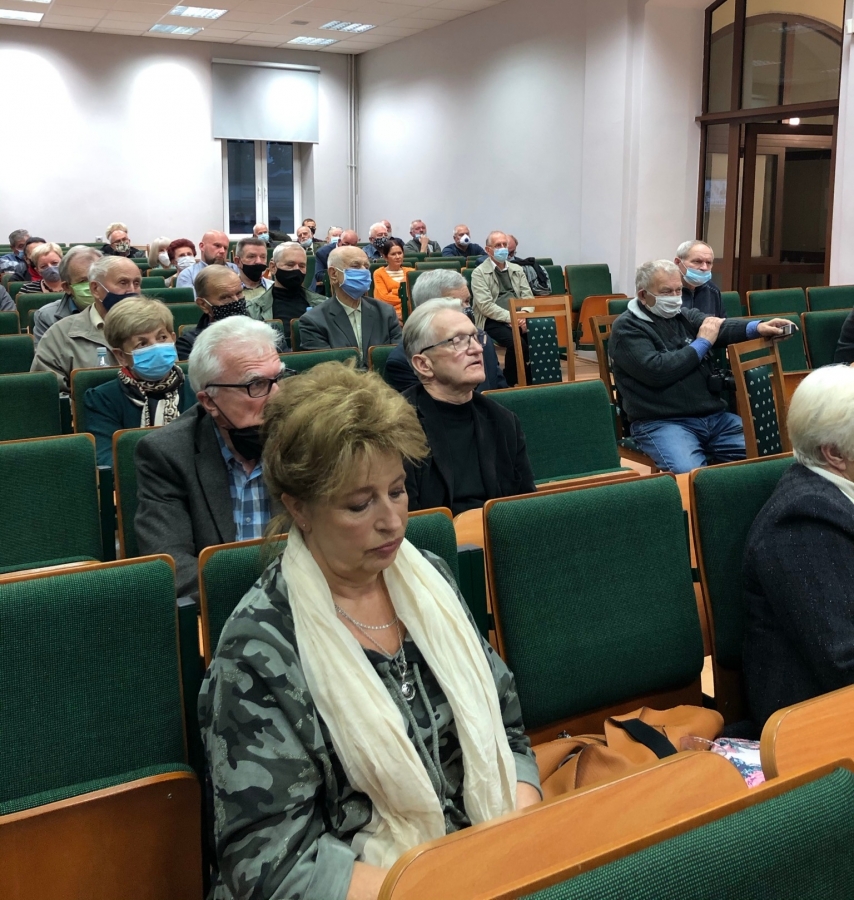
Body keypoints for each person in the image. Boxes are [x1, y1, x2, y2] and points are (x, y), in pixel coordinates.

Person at [198, 360, 540, 900]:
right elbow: (271, 866)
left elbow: (509, 728)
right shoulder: (259, 647)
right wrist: (440, 888)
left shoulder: (428, 579)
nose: (392, 521)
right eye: (360, 504)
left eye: (397, 491)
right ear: (299, 508)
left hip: (479, 856)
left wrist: (518, 838)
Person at [135, 317, 286, 598]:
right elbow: (171, 567)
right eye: (256, 384)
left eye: (278, 379)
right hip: (218, 609)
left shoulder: (306, 435)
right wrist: (263, 600)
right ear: (209, 401)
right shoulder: (167, 453)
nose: (276, 397)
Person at [743, 365, 854, 728]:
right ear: (834, 453)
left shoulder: (840, 492)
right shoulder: (802, 521)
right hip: (813, 724)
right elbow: (843, 662)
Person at [609, 259, 791, 474]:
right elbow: (658, 371)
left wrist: (759, 327)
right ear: (643, 295)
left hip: (715, 418)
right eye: (666, 292)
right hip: (662, 422)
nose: (675, 297)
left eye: (678, 290)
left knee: (772, 456)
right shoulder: (627, 328)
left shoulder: (682, 315)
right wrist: (702, 343)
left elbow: (718, 327)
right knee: (689, 473)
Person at [402, 300, 535, 514]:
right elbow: (408, 523)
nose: (477, 349)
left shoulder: (503, 420)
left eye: (475, 337)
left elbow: (526, 507)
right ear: (424, 364)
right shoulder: (395, 428)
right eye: (458, 341)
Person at [83, 298, 192, 465]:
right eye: (142, 344)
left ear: (173, 339)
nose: (156, 347)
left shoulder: (199, 388)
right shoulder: (102, 399)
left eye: (162, 337)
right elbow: (107, 461)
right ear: (121, 356)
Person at [385, 269, 507, 393]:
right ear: (427, 308)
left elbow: (500, 392)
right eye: (455, 304)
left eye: (467, 301)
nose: (466, 309)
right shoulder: (402, 362)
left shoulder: (482, 340)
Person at [31, 255, 142, 390]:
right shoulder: (60, 334)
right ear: (95, 289)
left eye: (136, 283)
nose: (131, 290)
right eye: (123, 283)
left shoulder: (155, 326)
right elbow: (45, 392)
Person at [300, 245, 401, 366]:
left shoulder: (386, 312)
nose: (364, 271)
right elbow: (326, 370)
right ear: (333, 274)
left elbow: (399, 360)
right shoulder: (313, 321)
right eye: (355, 266)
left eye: (366, 267)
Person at [471, 230, 534, 387]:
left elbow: (528, 297)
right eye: (498, 245)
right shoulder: (479, 273)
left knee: (540, 336)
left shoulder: (517, 269)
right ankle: (508, 382)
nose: (502, 248)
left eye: (504, 245)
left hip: (519, 316)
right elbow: (485, 305)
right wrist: (511, 317)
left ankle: (533, 379)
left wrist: (524, 314)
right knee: (518, 344)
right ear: (488, 250)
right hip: (491, 320)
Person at [246, 241, 325, 347]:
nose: (297, 270)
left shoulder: (323, 304)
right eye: (290, 265)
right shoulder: (253, 309)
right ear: (273, 267)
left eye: (302, 266)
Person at [32, 245, 103, 347]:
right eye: (83, 281)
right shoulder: (47, 317)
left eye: (97, 278)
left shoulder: (120, 308)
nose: (93, 286)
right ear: (67, 287)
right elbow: (47, 355)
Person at [177, 265, 248, 360]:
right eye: (225, 297)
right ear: (203, 305)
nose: (236, 301)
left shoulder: (261, 332)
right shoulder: (190, 345)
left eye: (239, 293)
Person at [176, 230, 239, 296]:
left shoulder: (236, 269)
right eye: (217, 246)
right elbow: (192, 300)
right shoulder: (187, 275)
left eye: (225, 248)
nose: (222, 251)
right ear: (202, 246)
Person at [674, 240, 724, 317]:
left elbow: (721, 321)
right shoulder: (666, 291)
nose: (704, 268)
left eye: (708, 263)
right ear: (678, 262)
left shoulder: (712, 290)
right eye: (697, 261)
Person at [372, 237, 413, 320]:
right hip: (390, 314)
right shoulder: (379, 273)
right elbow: (383, 299)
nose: (398, 257)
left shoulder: (411, 272)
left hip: (411, 313)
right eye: (393, 254)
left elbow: (415, 297)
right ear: (385, 257)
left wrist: (393, 292)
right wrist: (403, 293)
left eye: (400, 253)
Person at [234, 236, 273, 304]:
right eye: (251, 256)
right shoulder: (227, 291)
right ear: (238, 261)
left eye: (263, 257)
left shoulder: (273, 288)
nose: (259, 261)